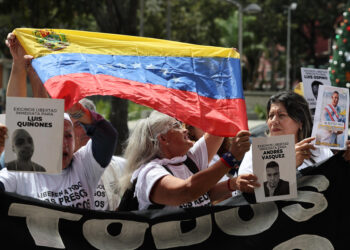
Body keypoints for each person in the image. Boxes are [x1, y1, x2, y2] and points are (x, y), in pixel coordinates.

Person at [0, 32, 118, 210]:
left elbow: (108, 136)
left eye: (68, 136)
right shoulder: (21, 172)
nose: (62, 143)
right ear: (39, 140)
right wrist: (18, 63)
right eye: (54, 136)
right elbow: (19, 111)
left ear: (76, 141)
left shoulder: (83, 165)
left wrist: (76, 110)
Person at [119, 110, 259, 210]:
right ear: (163, 139)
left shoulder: (188, 159)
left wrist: (233, 184)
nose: (185, 129)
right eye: (177, 126)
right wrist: (230, 159)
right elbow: (187, 192)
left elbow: (201, 195)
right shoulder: (149, 173)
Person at [238, 91, 335, 192]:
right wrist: (289, 165)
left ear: (300, 122)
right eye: (271, 116)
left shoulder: (320, 152)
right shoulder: (255, 152)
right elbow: (245, 192)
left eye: (281, 115)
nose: (274, 121)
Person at [73, 97, 126, 211]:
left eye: (89, 124)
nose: (86, 130)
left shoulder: (120, 166)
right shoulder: (59, 171)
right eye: (78, 124)